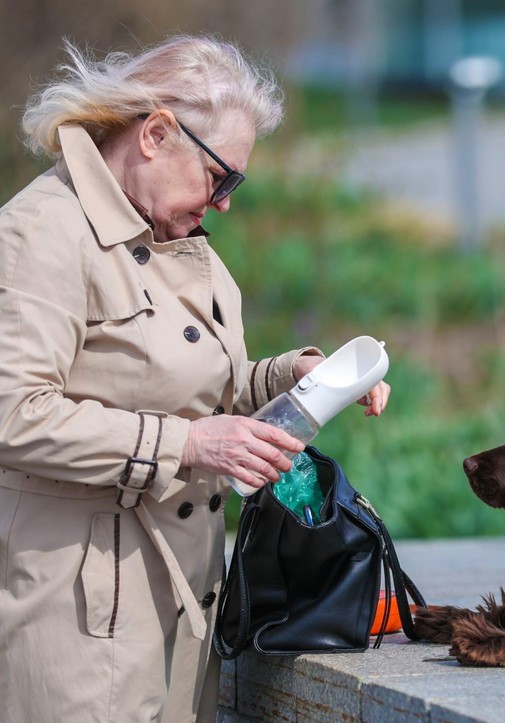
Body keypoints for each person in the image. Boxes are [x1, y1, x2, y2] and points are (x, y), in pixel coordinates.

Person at [0, 35, 391, 722]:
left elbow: (184, 383)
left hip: (177, 612)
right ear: (155, 135)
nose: (225, 203)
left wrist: (289, 379)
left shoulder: (165, 232)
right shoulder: (43, 230)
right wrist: (188, 446)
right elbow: (12, 411)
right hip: (78, 624)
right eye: (223, 178)